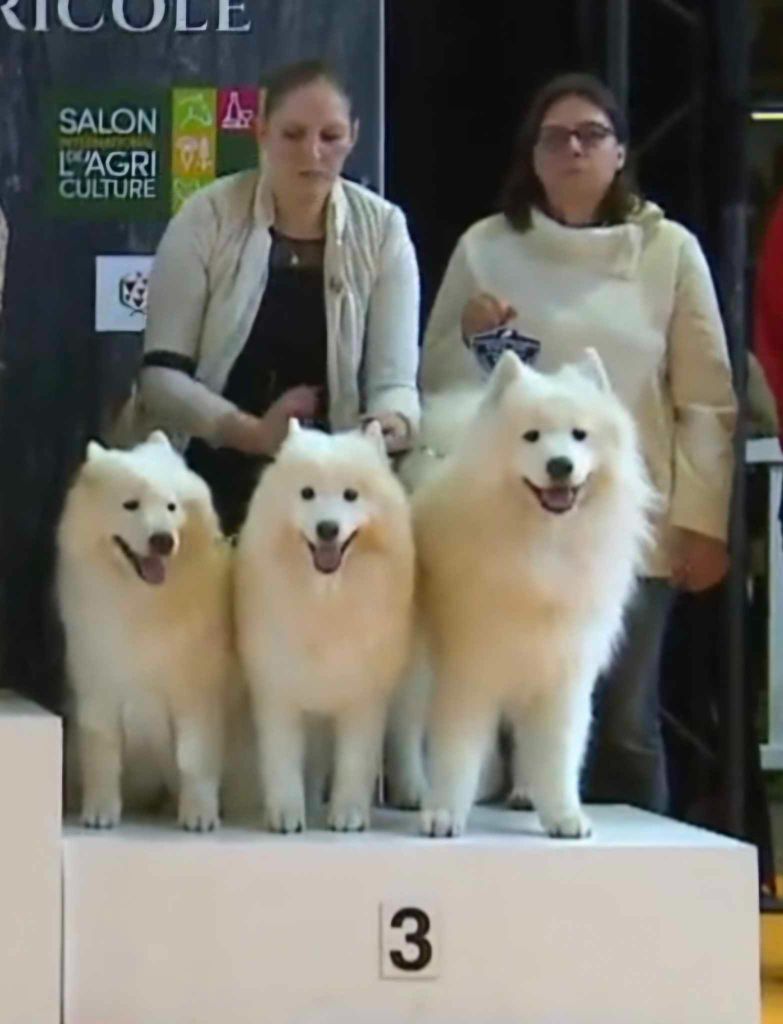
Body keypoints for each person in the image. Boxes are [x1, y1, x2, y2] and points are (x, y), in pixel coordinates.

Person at [420, 73, 737, 813]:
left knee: (624, 722)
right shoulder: (486, 249)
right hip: (500, 533)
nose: (573, 149)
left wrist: (701, 518)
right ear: (530, 156)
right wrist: (471, 335)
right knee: (498, 716)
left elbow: (705, 400)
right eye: (554, 136)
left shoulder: (667, 252)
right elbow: (439, 381)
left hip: (627, 525)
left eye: (591, 134)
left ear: (621, 151)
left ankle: (642, 895)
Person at [139, 59, 420, 533]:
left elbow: (396, 381)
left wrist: (390, 422)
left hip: (333, 486)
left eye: (330, 136)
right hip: (211, 470)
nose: (312, 153)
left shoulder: (385, 228)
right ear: (261, 132)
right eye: (292, 134)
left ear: (353, 136)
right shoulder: (205, 216)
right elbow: (161, 379)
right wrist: (251, 434)